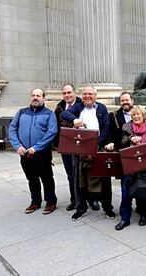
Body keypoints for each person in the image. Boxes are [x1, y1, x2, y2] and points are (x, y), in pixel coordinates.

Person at [61, 85, 116, 221]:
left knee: (104, 179)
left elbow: (106, 128)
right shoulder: (78, 107)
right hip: (79, 149)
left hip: (98, 147)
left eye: (90, 94)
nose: (87, 96)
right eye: (85, 94)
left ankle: (108, 207)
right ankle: (81, 208)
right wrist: (74, 120)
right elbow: (64, 114)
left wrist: (97, 145)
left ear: (95, 95)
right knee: (78, 179)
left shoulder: (101, 108)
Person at [9, 88, 58, 214]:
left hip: (42, 153)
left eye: (38, 95)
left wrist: (36, 147)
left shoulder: (49, 114)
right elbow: (12, 129)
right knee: (32, 179)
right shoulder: (21, 112)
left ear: (43, 98)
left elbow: (52, 132)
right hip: (24, 153)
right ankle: (35, 202)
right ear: (30, 97)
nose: (35, 97)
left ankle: (51, 202)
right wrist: (17, 146)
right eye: (33, 95)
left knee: (47, 178)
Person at [117, 105, 146, 227]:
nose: (135, 116)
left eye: (138, 114)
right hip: (129, 165)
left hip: (145, 165)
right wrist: (130, 139)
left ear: (144, 115)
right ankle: (125, 218)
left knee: (143, 192)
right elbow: (121, 143)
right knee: (126, 193)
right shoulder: (126, 127)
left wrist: (145, 147)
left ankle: (143, 215)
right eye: (133, 115)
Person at [104, 92, 134, 230]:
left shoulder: (140, 113)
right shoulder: (114, 116)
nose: (125, 102)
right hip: (123, 156)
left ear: (132, 101)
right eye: (122, 100)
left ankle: (142, 212)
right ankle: (125, 217)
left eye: (127, 100)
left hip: (139, 157)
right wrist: (110, 142)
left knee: (140, 185)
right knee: (125, 187)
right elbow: (110, 132)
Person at [53, 83, 82, 211]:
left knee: (84, 173)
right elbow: (55, 127)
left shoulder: (82, 105)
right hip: (66, 146)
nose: (67, 95)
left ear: (75, 93)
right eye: (64, 93)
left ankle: (91, 199)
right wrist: (55, 143)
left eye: (69, 92)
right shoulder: (59, 107)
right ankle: (74, 199)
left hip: (81, 145)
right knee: (70, 174)